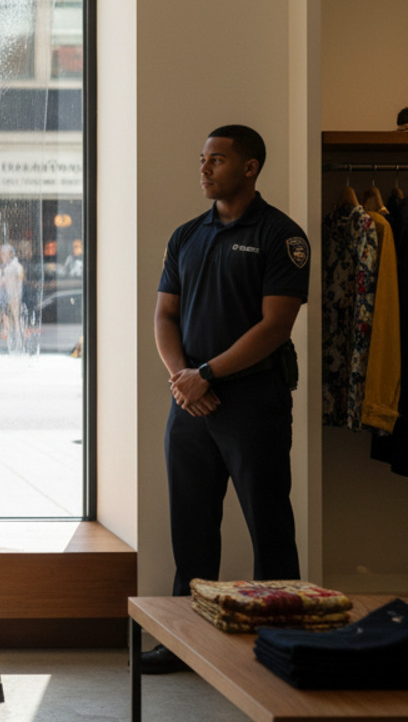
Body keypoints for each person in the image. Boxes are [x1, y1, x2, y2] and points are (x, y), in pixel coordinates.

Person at [142, 124, 309, 674]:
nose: (205, 168)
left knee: (269, 526)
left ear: (250, 167)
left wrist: (207, 374)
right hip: (190, 405)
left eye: (216, 159)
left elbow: (275, 327)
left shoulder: (281, 236)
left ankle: (281, 644)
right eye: (202, 158)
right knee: (190, 532)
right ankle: (181, 642)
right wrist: (184, 379)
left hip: (251, 402)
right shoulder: (187, 235)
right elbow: (165, 315)